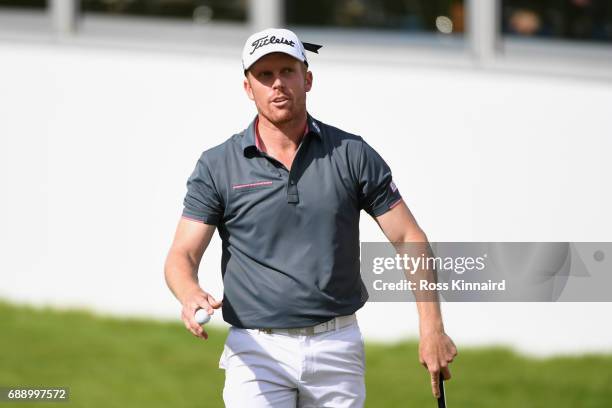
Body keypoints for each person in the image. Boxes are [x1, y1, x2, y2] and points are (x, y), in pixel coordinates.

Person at [164, 27, 457, 407]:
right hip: (255, 349)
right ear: (248, 88)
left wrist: (432, 327)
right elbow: (181, 255)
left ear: (308, 78)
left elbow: (408, 238)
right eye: (264, 76)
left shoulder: (351, 153)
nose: (278, 84)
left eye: (287, 71)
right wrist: (189, 294)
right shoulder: (218, 165)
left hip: (338, 345)